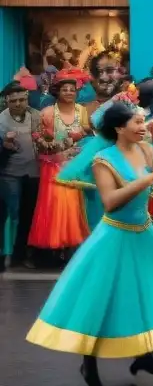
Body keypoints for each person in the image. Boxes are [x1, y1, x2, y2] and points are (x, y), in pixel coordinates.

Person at [25, 102, 153, 386]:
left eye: (144, 121)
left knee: (144, 294)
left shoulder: (146, 150)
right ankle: (88, 364)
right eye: (137, 123)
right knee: (99, 301)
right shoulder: (103, 160)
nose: (144, 127)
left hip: (144, 234)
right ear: (119, 128)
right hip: (115, 238)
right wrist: (151, 178)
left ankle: (144, 356)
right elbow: (111, 201)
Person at [27, 69, 90, 261]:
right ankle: (53, 248)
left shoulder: (82, 111)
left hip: (76, 165)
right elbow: (39, 141)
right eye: (65, 89)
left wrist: (82, 134)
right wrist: (56, 147)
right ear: (57, 92)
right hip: (53, 166)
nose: (69, 93)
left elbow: (87, 132)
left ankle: (70, 248)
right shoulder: (47, 113)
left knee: (74, 206)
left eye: (72, 89)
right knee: (55, 206)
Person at [0, 82, 41, 269]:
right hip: (9, 174)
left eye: (22, 99)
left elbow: (42, 139)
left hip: (33, 172)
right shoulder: (1, 120)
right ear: (6, 100)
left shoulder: (35, 115)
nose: (18, 104)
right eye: (14, 100)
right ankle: (3, 255)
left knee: (28, 215)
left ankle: (20, 255)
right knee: (10, 213)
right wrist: (5, 146)